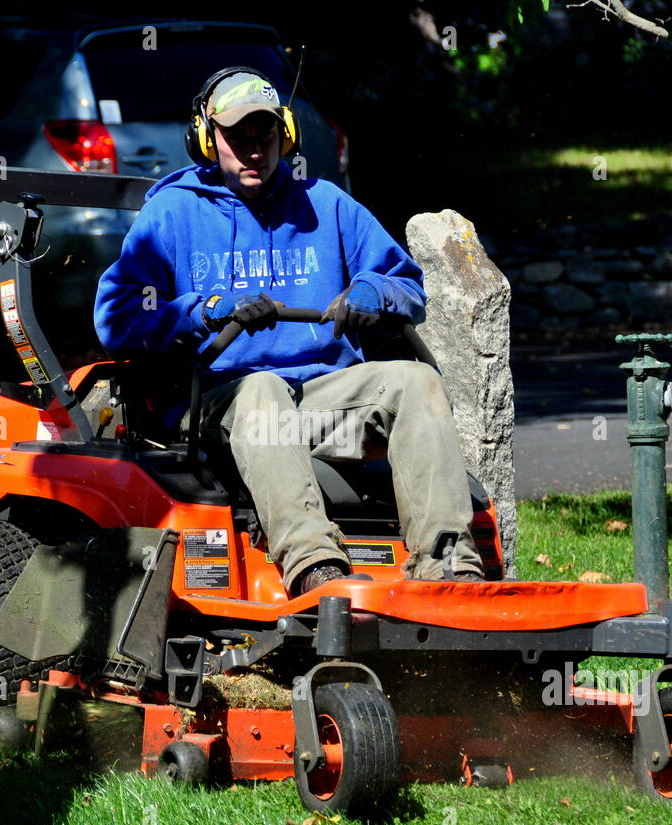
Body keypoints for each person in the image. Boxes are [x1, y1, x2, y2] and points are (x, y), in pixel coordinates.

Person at [94, 67, 485, 596]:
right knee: (263, 388)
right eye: (238, 137)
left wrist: (375, 289)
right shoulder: (172, 214)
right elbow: (116, 319)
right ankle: (315, 570)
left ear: (287, 134)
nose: (254, 150)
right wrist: (205, 309)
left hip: (320, 406)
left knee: (415, 383)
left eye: (266, 135)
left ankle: (449, 572)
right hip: (217, 405)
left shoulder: (327, 205)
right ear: (207, 139)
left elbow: (408, 286)